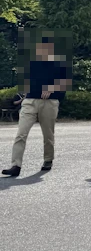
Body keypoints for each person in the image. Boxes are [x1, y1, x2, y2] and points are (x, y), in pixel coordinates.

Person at [3, 36, 71, 177]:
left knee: (48, 135)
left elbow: (65, 84)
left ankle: (48, 159)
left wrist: (52, 87)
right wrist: (24, 96)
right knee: (21, 134)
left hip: (50, 102)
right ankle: (16, 165)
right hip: (30, 101)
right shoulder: (31, 63)